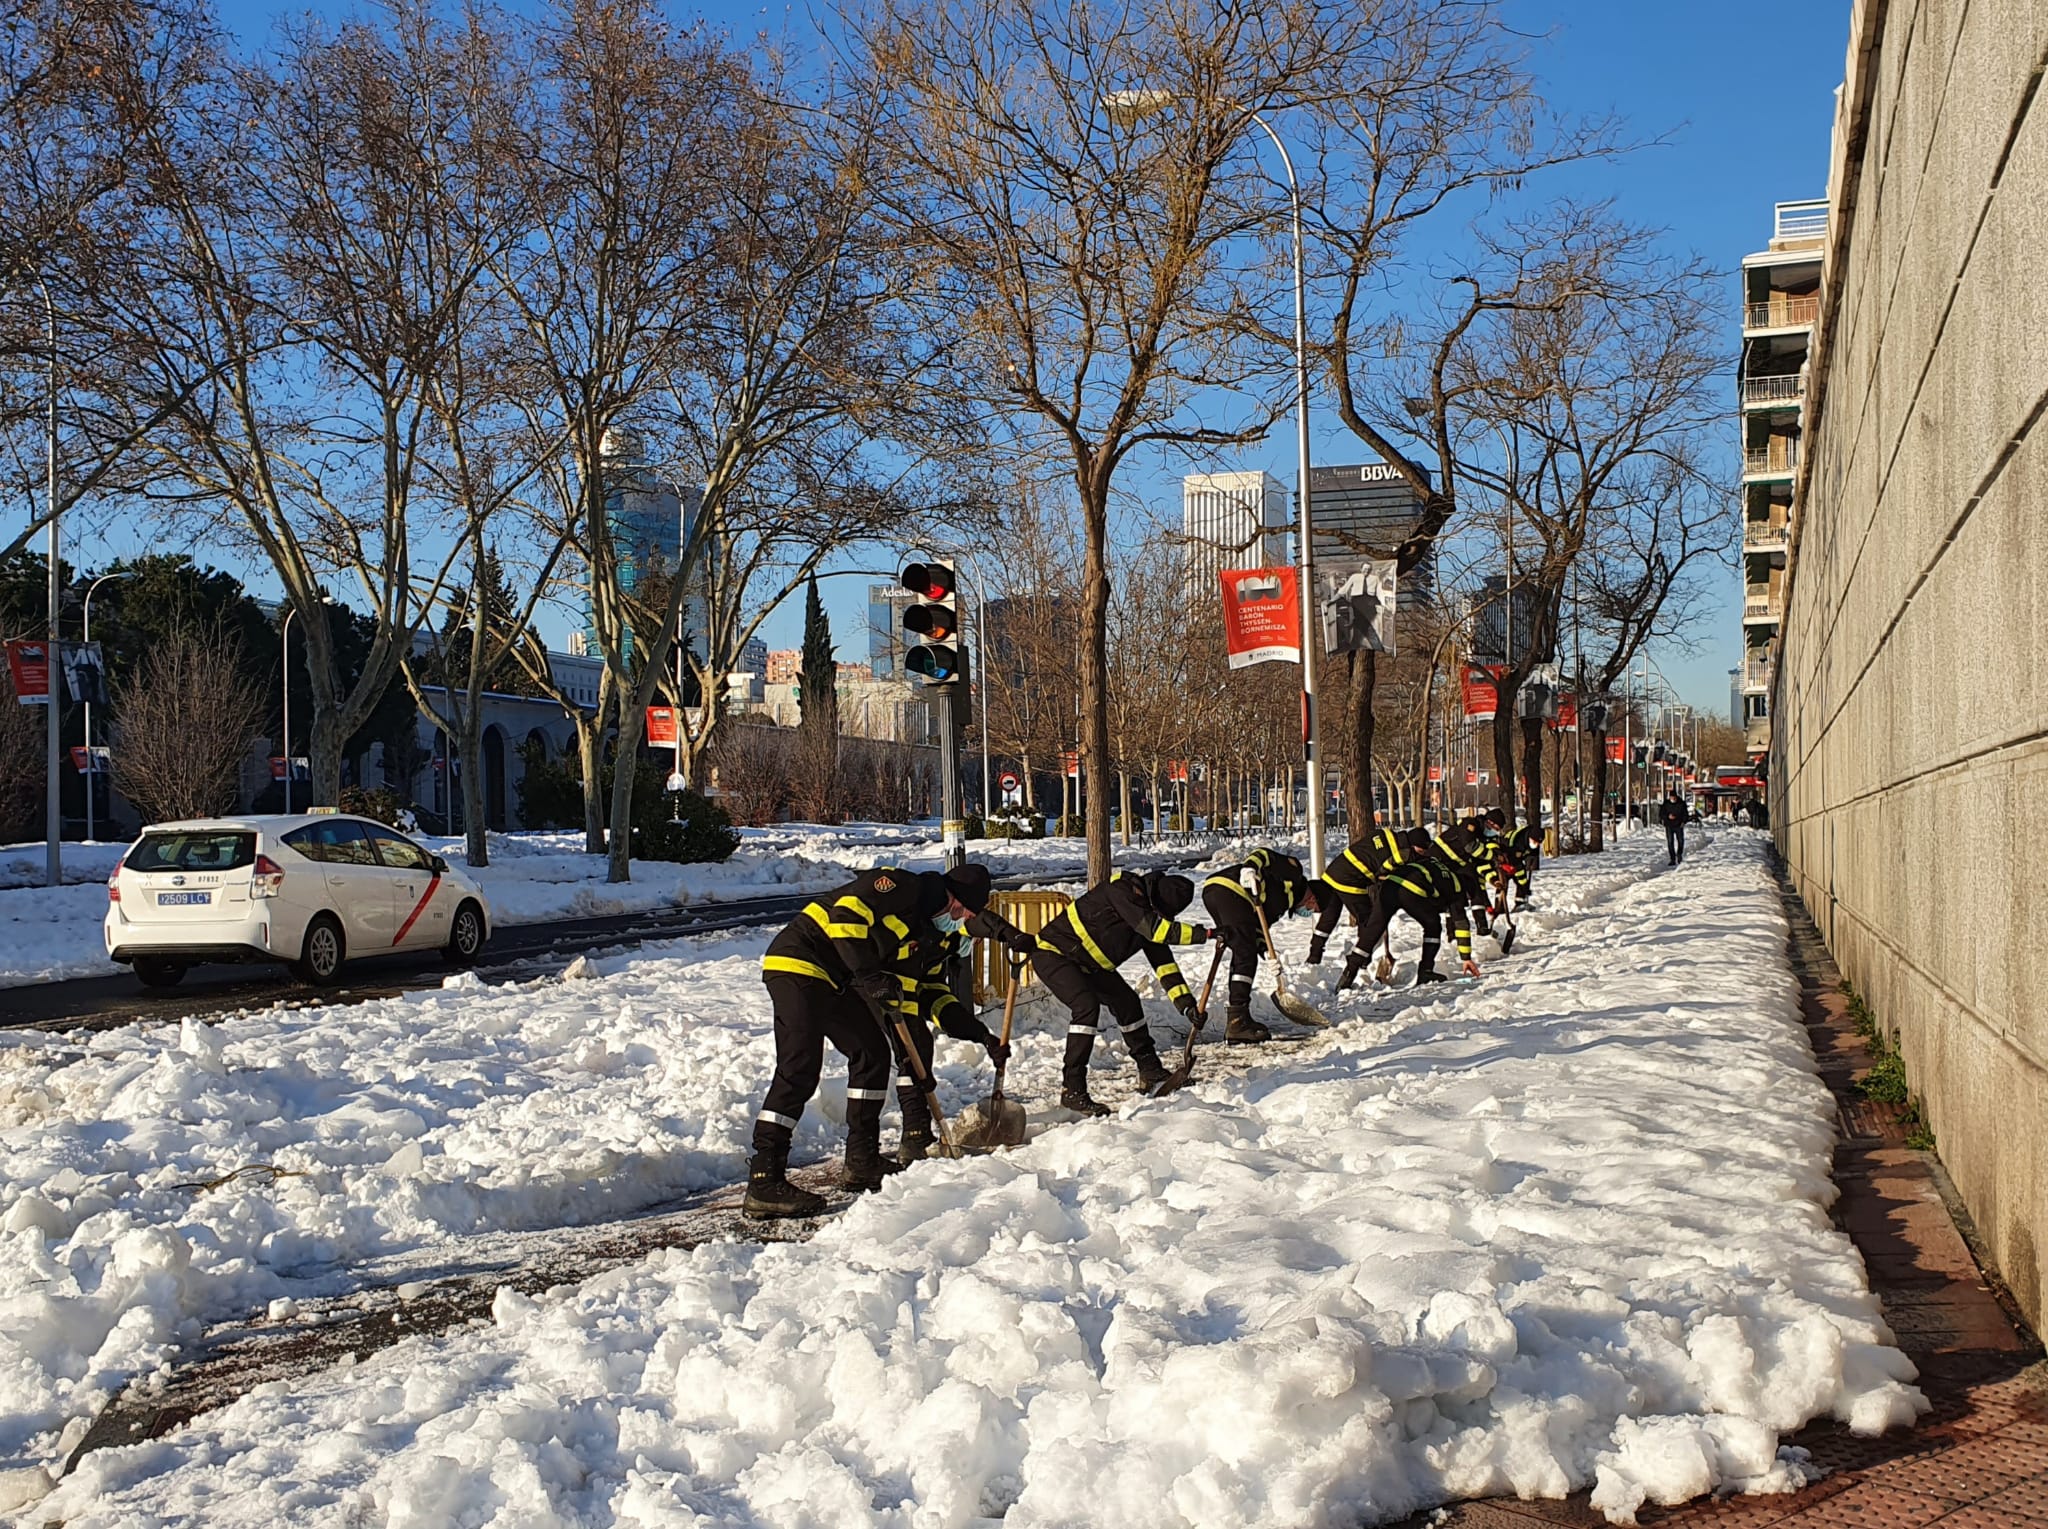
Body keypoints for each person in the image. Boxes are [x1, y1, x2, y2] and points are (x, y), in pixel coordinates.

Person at [746, 862, 999, 1219]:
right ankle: (764, 1178)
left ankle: (862, 1160)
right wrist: (870, 976)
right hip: (800, 960)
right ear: (949, 895)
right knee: (799, 1068)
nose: (956, 919)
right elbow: (845, 915)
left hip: (837, 979)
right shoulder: (902, 886)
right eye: (958, 910)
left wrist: (978, 1033)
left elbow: (924, 994)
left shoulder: (922, 929)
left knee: (872, 1053)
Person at [886, 865, 1037, 1164]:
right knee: (904, 1051)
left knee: (917, 1047)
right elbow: (976, 921)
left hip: (904, 992)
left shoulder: (944, 942)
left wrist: (982, 1036)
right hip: (873, 984)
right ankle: (911, 1135)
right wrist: (1004, 932)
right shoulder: (923, 920)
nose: (965, 923)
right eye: (963, 913)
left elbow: (936, 999)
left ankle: (916, 1135)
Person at [1032, 869, 1210, 1115]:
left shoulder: (1149, 917)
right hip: (1055, 953)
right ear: (1153, 899)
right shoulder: (1123, 891)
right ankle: (1073, 1090)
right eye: (1160, 913)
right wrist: (1205, 934)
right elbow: (1155, 930)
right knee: (1086, 1007)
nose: (1160, 918)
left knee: (1128, 1003)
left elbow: (1165, 966)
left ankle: (1150, 1070)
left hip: (1091, 965)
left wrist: (1187, 1006)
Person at [1201, 848, 1316, 1044]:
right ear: (1312, 898)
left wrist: (1267, 952)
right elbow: (1264, 855)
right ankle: (1238, 1021)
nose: (1309, 911)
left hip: (1221, 895)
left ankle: (1238, 1018)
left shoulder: (1281, 906)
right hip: (1229, 889)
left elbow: (1257, 930)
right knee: (1245, 954)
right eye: (1314, 907)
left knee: (1244, 947)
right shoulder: (1294, 872)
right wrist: (1250, 868)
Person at [1341, 854, 1479, 989]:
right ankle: (1426, 971)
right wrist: (1466, 958)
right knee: (1433, 926)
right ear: (1467, 891)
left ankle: (1348, 974)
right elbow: (1461, 924)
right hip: (1412, 888)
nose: (1465, 902)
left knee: (1373, 929)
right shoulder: (1456, 887)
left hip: (1389, 884)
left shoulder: (1439, 867)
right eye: (1467, 899)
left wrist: (1382, 872)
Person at [1660, 793, 1687, 866]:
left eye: (1674, 797)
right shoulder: (1666, 804)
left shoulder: (1681, 804)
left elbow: (1685, 814)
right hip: (1669, 825)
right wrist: (1667, 817)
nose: (1673, 799)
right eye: (1672, 797)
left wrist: (1683, 821)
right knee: (1670, 842)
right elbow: (1662, 814)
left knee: (1680, 841)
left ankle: (1679, 854)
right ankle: (1672, 858)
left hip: (1679, 825)